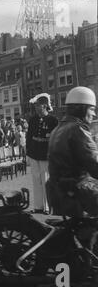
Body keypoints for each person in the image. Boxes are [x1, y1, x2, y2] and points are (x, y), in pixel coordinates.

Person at [47, 87, 98, 218]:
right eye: (91, 109)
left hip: (58, 191)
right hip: (79, 191)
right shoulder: (78, 130)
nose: (94, 114)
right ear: (81, 109)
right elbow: (94, 163)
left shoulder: (58, 128)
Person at [26, 93, 58, 214]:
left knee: (45, 181)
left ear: (44, 106)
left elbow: (55, 139)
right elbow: (29, 136)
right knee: (36, 180)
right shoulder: (33, 120)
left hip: (45, 155)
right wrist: (28, 152)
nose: (36, 108)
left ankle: (47, 207)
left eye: (38, 106)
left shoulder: (53, 120)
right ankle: (38, 206)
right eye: (35, 106)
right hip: (34, 153)